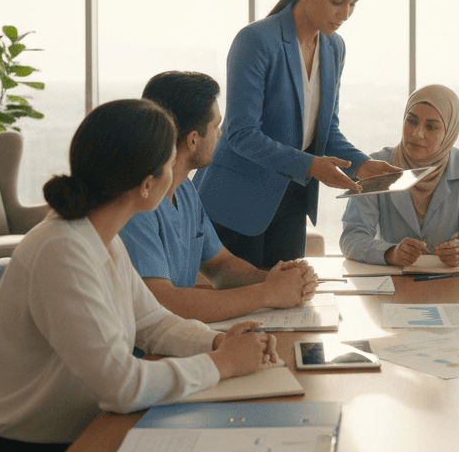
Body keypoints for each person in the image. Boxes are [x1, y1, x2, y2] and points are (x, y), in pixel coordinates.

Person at [0, 99, 277, 452]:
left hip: (73, 438)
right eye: (170, 164)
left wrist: (217, 342)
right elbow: (121, 386)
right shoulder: (62, 250)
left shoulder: (100, 236)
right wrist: (221, 364)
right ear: (146, 183)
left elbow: (153, 322)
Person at [194, 0, 398, 269]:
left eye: (352, 5)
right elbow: (241, 133)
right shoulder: (256, 40)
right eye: (337, 1)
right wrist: (310, 165)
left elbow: (325, 130)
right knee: (238, 308)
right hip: (237, 200)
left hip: (291, 199)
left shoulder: (334, 48)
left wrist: (360, 165)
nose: (344, 14)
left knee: (288, 305)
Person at [121, 71, 318, 323]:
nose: (220, 135)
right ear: (193, 139)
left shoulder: (185, 190)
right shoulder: (138, 204)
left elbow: (221, 265)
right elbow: (162, 302)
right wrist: (268, 293)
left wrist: (276, 280)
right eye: (216, 126)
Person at [341, 84, 459, 266]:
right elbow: (351, 237)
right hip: (393, 283)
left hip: (452, 284)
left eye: (431, 127)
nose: (417, 134)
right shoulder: (376, 166)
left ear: (449, 132)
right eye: (411, 121)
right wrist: (390, 253)